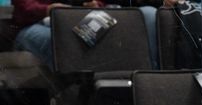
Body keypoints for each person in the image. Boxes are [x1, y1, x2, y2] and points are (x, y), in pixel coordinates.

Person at [11, 0, 160, 69]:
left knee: (148, 14)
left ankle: (143, 75)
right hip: (35, 25)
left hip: (79, 19)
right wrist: (48, 8)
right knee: (59, 39)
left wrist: (95, 4)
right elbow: (24, 8)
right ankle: (80, 93)